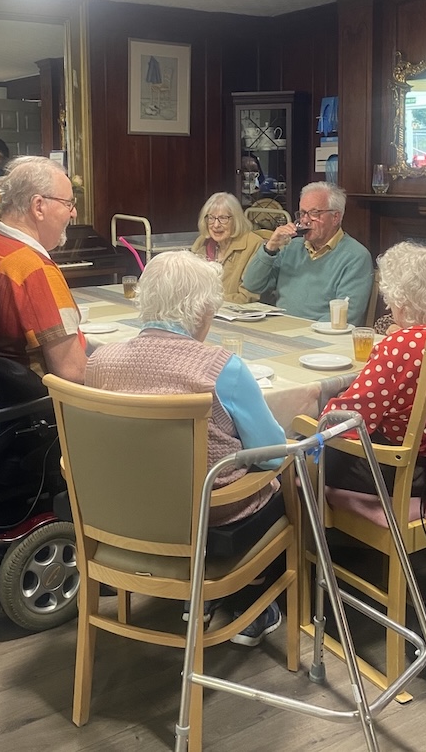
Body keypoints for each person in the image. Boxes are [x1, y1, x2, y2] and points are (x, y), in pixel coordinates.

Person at [86, 250, 287, 646]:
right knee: (292, 482)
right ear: (203, 310)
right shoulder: (222, 368)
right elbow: (274, 454)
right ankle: (252, 603)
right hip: (207, 522)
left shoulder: (99, 362)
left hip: (118, 515)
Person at [323, 242, 426, 494]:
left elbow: (349, 418)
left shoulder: (402, 344)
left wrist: (311, 419)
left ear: (405, 301)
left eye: (391, 298)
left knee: (299, 453)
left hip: (400, 472)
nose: (389, 306)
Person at [0, 155, 87, 383]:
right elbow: (73, 373)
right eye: (68, 204)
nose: (73, 213)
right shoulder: (33, 269)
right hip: (44, 405)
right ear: (38, 206)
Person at [241, 182, 373, 323]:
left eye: (314, 213)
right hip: (280, 329)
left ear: (335, 217)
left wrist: (303, 332)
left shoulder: (355, 256)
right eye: (303, 213)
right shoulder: (291, 247)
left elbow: (346, 314)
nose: (305, 220)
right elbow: (252, 285)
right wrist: (270, 247)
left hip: (321, 337)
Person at [190, 192, 264, 303]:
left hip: (236, 315)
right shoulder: (202, 243)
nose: (216, 225)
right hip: (203, 312)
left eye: (223, 218)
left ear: (236, 220)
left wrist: (209, 303)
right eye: (211, 218)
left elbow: (247, 296)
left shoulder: (254, 244)